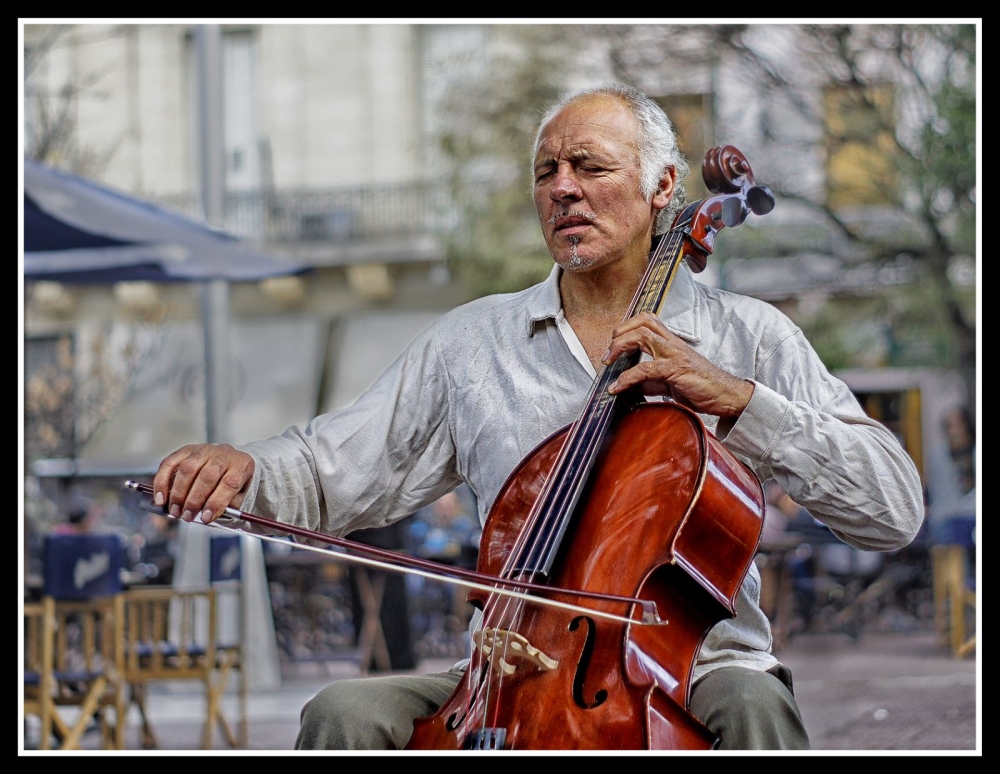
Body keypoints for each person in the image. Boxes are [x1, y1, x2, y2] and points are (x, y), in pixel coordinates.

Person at [150, 83, 924, 750]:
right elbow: (338, 464)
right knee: (343, 712)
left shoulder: (748, 337)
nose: (563, 188)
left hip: (696, 669)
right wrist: (247, 470)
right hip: (505, 667)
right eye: (546, 171)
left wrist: (741, 401)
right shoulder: (470, 342)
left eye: (590, 166)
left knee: (755, 704)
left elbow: (892, 509)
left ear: (663, 188)